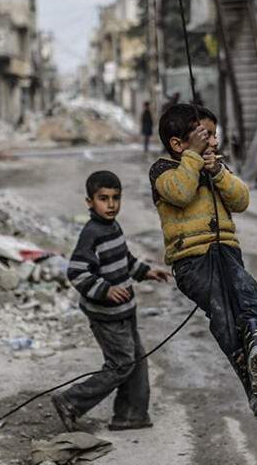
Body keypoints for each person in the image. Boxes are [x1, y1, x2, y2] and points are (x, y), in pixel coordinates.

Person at [148, 104, 257, 417]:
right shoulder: (162, 170)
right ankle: (252, 381)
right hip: (192, 261)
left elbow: (241, 200)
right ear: (179, 145)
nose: (214, 143)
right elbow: (180, 193)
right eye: (206, 136)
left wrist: (218, 172)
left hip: (227, 250)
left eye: (214, 136)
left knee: (248, 293)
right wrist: (194, 159)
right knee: (222, 314)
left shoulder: (215, 167)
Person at [51, 171, 171, 432]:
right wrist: (104, 290)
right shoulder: (92, 233)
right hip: (106, 315)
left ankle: (131, 414)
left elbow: (123, 259)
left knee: (137, 360)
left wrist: (146, 271)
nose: (111, 204)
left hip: (125, 310)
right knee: (120, 365)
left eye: (116, 198)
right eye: (103, 199)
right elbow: (77, 271)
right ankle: (70, 401)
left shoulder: (113, 227)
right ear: (89, 201)